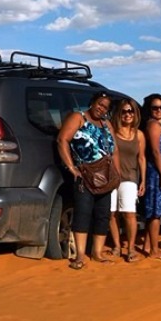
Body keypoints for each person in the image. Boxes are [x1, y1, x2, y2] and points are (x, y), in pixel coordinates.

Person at [57, 91, 120, 270]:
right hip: (84, 175)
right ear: (92, 102)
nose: (101, 109)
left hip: (105, 177)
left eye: (105, 107)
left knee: (103, 214)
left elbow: (115, 150)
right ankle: (80, 255)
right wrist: (71, 167)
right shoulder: (79, 118)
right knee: (83, 213)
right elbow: (62, 140)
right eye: (100, 104)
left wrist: (117, 174)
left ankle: (97, 253)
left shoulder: (106, 124)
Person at [107, 98, 146, 263]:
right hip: (111, 177)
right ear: (119, 113)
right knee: (111, 213)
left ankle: (130, 248)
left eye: (131, 111)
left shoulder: (139, 135)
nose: (128, 114)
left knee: (129, 213)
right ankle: (117, 246)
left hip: (130, 177)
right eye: (124, 111)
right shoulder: (112, 132)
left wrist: (143, 180)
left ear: (135, 114)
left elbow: (141, 158)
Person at [140, 93, 161, 260]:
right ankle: (154, 250)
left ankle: (147, 245)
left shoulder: (160, 125)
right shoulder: (153, 125)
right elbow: (155, 151)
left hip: (160, 169)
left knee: (155, 211)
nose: (159, 110)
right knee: (155, 211)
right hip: (155, 173)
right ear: (149, 109)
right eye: (155, 107)